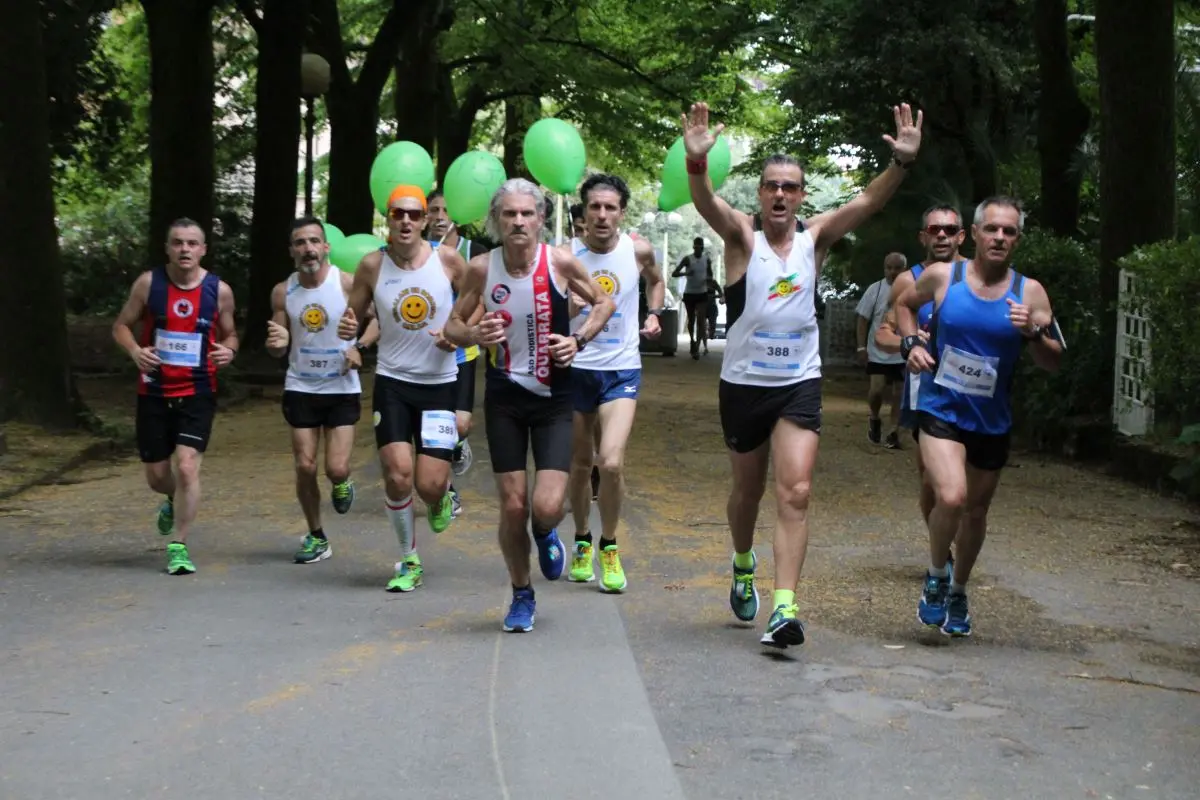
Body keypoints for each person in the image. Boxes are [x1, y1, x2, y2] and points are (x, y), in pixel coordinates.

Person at [681, 100, 923, 648]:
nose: (781, 194)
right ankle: (743, 562)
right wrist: (697, 163)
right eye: (772, 185)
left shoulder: (817, 238)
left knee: (796, 491)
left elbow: (866, 201)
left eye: (791, 186)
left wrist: (901, 164)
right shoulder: (742, 237)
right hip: (744, 385)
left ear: (802, 194)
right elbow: (705, 202)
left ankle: (784, 607)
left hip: (798, 384)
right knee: (747, 492)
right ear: (762, 193)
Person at [443, 178, 615, 633]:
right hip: (504, 400)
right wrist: (474, 335)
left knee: (546, 506)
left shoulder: (559, 261)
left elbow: (604, 302)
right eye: (509, 215)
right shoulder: (482, 268)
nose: (518, 222)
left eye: (526, 214)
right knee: (513, 505)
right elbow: (452, 326)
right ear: (497, 221)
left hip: (556, 398)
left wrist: (577, 340)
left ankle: (545, 533)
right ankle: (522, 593)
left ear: (540, 219)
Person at [896, 196, 1063, 637]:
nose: (1000, 238)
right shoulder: (943, 276)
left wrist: (1036, 332)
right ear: (975, 234)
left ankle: (959, 589)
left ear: (1017, 240)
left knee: (975, 511)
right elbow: (904, 306)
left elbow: (1054, 360)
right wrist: (911, 345)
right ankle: (936, 576)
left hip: (990, 418)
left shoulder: (1030, 292)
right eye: (992, 229)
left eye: (1009, 232)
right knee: (950, 495)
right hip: (939, 407)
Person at [338, 184, 471, 593]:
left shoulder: (448, 260)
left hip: (440, 384)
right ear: (388, 218)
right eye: (399, 214)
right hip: (393, 383)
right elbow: (354, 313)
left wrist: (458, 331)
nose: (408, 221)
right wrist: (349, 329)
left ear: (426, 219)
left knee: (428, 485)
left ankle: (443, 494)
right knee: (398, 476)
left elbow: (476, 299)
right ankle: (408, 559)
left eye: (415, 214)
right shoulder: (372, 266)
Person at [111, 218, 238, 575]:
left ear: (203, 250)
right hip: (153, 390)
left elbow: (230, 335)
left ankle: (179, 545)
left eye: (192, 243)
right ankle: (171, 497)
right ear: (167, 248)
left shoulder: (219, 290)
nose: (185, 249)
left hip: (198, 390)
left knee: (186, 467)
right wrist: (136, 351)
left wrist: (229, 351)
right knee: (157, 476)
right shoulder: (149, 284)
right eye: (178, 242)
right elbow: (121, 325)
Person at [564, 173, 665, 592]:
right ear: (584, 213)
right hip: (574, 368)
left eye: (610, 207)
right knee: (580, 464)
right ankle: (582, 539)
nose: (602, 215)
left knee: (612, 462)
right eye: (595, 207)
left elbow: (656, 281)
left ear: (622, 213)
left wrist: (654, 313)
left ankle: (608, 544)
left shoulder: (637, 249)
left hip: (622, 368)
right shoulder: (563, 255)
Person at [265, 216, 379, 564]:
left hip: (341, 385)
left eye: (314, 241)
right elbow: (277, 345)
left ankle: (342, 482)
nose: (308, 249)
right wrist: (278, 344)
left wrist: (359, 345)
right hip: (301, 385)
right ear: (292, 251)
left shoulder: (345, 283)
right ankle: (316, 535)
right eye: (300, 243)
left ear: (326, 246)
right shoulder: (284, 291)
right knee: (304, 465)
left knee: (337, 468)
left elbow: (377, 318)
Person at [875, 205, 966, 550]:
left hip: (970, 390)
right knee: (931, 478)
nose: (941, 235)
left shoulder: (976, 275)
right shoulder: (908, 280)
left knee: (968, 479)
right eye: (934, 229)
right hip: (925, 389)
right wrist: (908, 345)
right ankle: (941, 554)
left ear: (962, 235)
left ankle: (955, 539)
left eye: (948, 229)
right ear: (923, 236)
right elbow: (883, 335)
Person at [427, 189, 488, 518]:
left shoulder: (473, 252)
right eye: (433, 209)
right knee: (436, 425)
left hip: (462, 351)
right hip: (426, 353)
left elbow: (481, 302)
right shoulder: (415, 254)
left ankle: (459, 444)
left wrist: (460, 332)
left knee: (459, 426)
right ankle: (447, 490)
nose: (439, 217)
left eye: (446, 210)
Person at [856, 252, 908, 448]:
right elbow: (862, 319)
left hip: (902, 349)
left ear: (904, 269)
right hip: (877, 350)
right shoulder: (875, 289)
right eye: (889, 267)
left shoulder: (913, 287)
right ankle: (875, 418)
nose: (892, 272)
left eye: (897, 268)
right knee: (876, 390)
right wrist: (861, 347)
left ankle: (894, 431)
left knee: (899, 392)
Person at [672, 238, 712, 359]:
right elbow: (674, 273)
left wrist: (709, 281)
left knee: (701, 320)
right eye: (696, 248)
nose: (698, 250)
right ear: (694, 247)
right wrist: (686, 274)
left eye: (701, 248)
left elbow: (710, 274)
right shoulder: (688, 259)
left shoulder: (707, 259)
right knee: (691, 320)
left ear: (703, 248)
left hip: (702, 293)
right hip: (689, 293)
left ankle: (697, 346)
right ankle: (692, 341)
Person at [705, 267, 725, 343]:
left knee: (712, 323)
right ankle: (704, 335)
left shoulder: (714, 283)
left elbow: (721, 293)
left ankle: (711, 335)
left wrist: (714, 296)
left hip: (712, 305)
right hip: (703, 305)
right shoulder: (701, 282)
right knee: (701, 324)